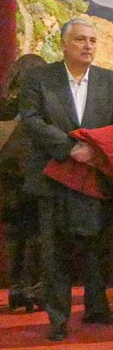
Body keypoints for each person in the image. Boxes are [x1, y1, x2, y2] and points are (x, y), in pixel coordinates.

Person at [20, 18, 113, 342]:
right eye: (81, 40)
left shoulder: (112, 81)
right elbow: (30, 120)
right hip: (54, 178)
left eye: (93, 41)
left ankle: (97, 308)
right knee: (55, 252)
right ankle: (58, 318)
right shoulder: (39, 78)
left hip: (96, 178)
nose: (88, 46)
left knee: (98, 247)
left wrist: (95, 148)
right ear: (64, 44)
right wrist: (69, 149)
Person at [0, 54, 46, 313]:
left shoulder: (4, 105)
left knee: (14, 235)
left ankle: (17, 288)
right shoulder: (36, 108)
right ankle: (35, 288)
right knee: (36, 234)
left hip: (7, 182)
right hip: (33, 178)